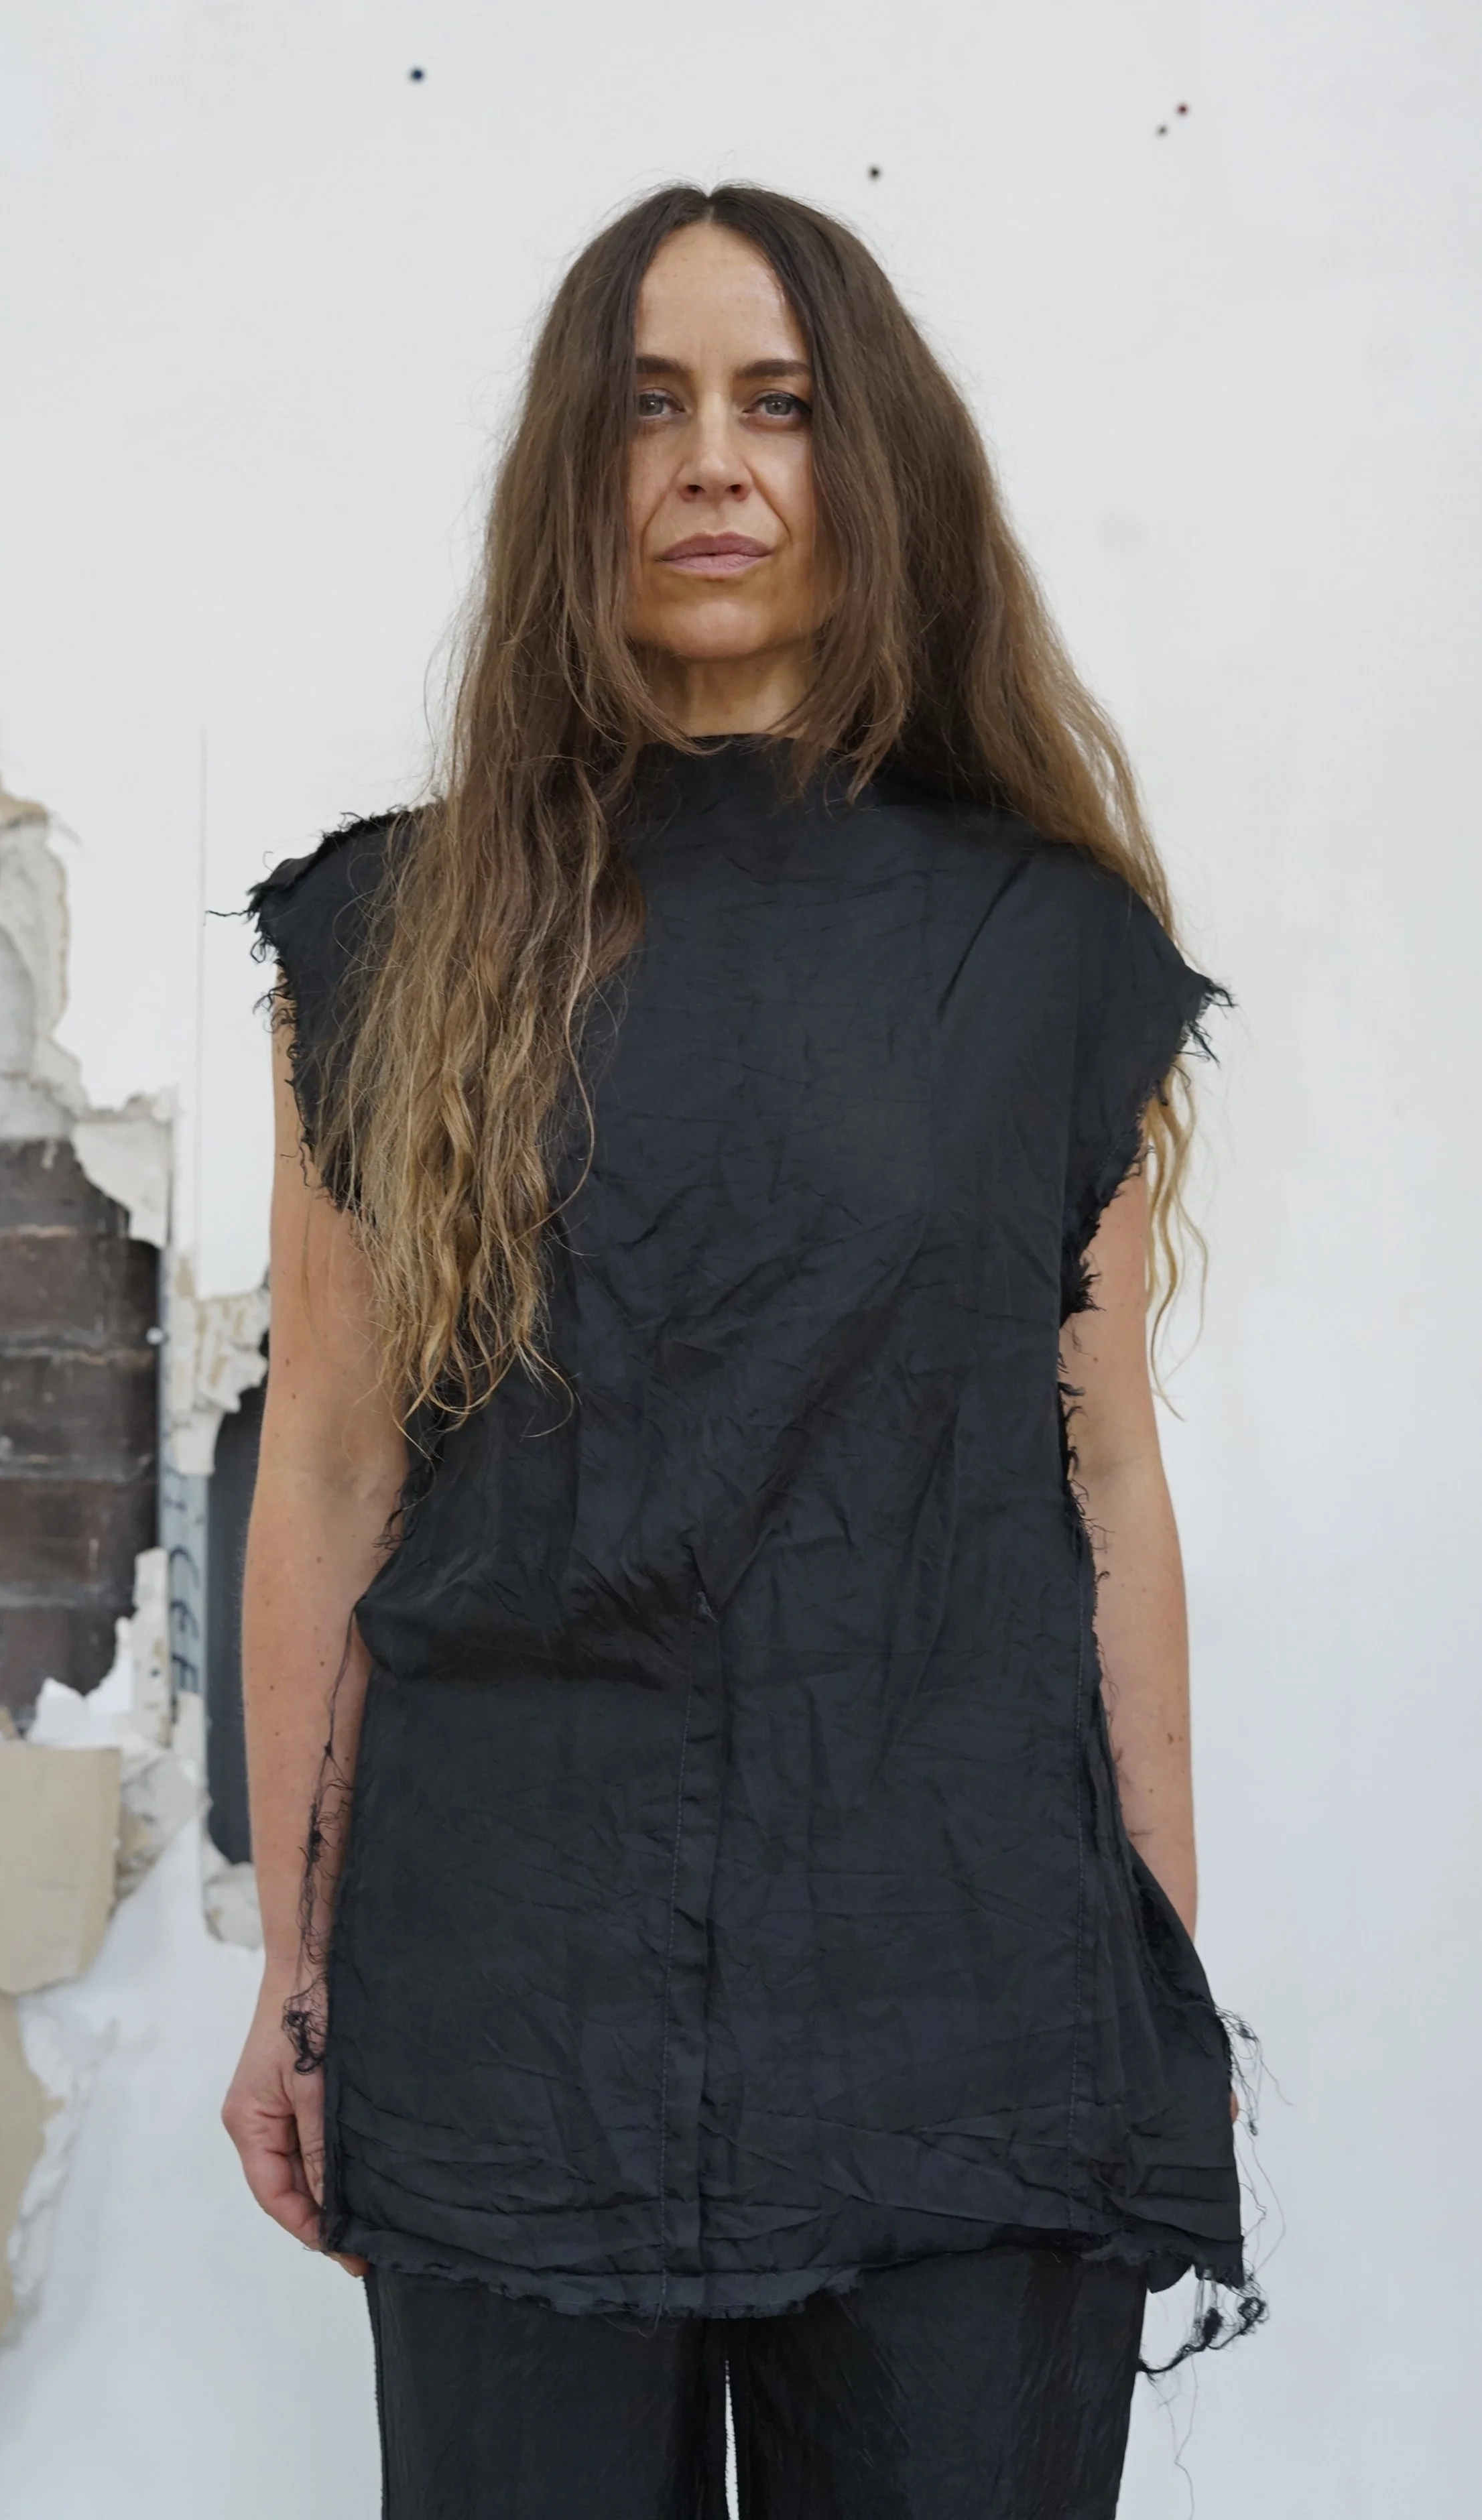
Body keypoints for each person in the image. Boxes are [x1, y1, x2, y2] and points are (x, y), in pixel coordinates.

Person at [225, 182, 1246, 2519]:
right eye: (647, 408)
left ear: (867, 465)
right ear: (569, 477)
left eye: (777, 406)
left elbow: (1099, 1486)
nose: (710, 465)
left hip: (960, 1980)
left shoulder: (1042, 952)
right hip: (511, 1987)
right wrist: (301, 1968)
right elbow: (330, 1477)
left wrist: (1153, 1960)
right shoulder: (396, 935)